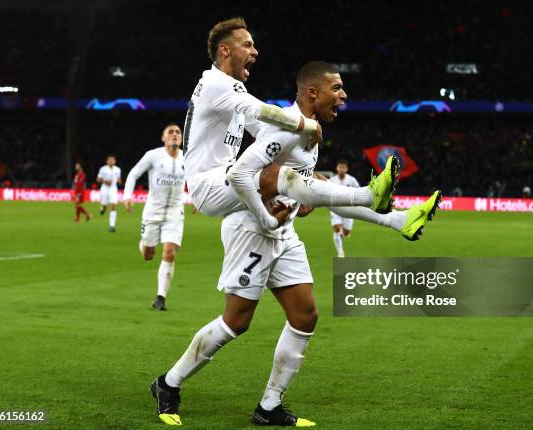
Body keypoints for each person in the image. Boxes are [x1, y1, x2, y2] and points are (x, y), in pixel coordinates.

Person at [148, 62, 441, 427]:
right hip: (250, 231)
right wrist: (271, 212)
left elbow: (316, 196)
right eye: (336, 88)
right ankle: (168, 383)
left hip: (283, 235)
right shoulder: (283, 129)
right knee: (236, 322)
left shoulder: (310, 136)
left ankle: (269, 407)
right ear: (312, 93)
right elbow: (244, 175)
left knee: (305, 317)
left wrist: (393, 221)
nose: (344, 95)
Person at [183, 17, 398, 234]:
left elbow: (262, 128)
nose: (255, 51)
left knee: (314, 179)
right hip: (209, 183)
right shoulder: (215, 83)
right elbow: (263, 111)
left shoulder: (229, 89)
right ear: (224, 50)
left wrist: (301, 185)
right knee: (277, 174)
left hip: (220, 180)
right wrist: (305, 125)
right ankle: (369, 195)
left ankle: (395, 220)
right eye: (247, 45)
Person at [123, 124, 186, 311]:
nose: (175, 135)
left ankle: (160, 297)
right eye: (171, 132)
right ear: (163, 138)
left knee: (169, 252)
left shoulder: (188, 157)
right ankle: (144, 243)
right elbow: (134, 173)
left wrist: (199, 199)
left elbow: (195, 179)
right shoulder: (153, 155)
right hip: (153, 211)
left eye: (178, 133)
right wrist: (127, 196)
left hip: (175, 212)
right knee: (148, 255)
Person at [328, 160, 359, 257]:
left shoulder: (352, 180)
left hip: (349, 209)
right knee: (337, 228)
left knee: (346, 233)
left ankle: (343, 233)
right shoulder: (332, 180)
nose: (341, 169)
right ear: (337, 168)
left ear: (346, 169)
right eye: (340, 167)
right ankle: (340, 252)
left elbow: (358, 190)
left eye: (343, 167)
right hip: (335, 208)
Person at [97, 155, 121, 232]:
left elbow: (118, 179)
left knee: (113, 205)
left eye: (112, 160)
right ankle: (102, 208)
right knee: (104, 205)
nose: (111, 161)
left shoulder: (118, 169)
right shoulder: (103, 169)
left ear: (114, 161)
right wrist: (104, 181)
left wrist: (119, 181)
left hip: (113, 188)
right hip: (105, 188)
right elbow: (98, 179)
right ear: (107, 161)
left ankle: (112, 226)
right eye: (109, 160)